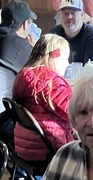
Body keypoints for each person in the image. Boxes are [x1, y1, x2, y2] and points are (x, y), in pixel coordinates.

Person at [12, 33, 74, 163]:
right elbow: (73, 112)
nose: (67, 63)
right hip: (47, 148)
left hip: (25, 144)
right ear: (55, 58)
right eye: (65, 59)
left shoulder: (25, 76)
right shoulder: (51, 84)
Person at [49, 0, 93, 68]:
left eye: (73, 13)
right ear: (59, 15)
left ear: (82, 14)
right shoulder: (54, 34)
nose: (69, 17)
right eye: (65, 13)